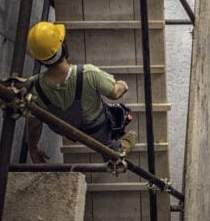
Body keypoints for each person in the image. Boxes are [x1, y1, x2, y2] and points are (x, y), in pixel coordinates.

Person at [24, 21, 136, 163]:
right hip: (96, 130)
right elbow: (114, 94)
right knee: (109, 139)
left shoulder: (33, 88)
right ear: (63, 46)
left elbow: (34, 125)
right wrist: (122, 85)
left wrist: (33, 149)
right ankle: (118, 151)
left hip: (67, 131)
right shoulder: (89, 73)